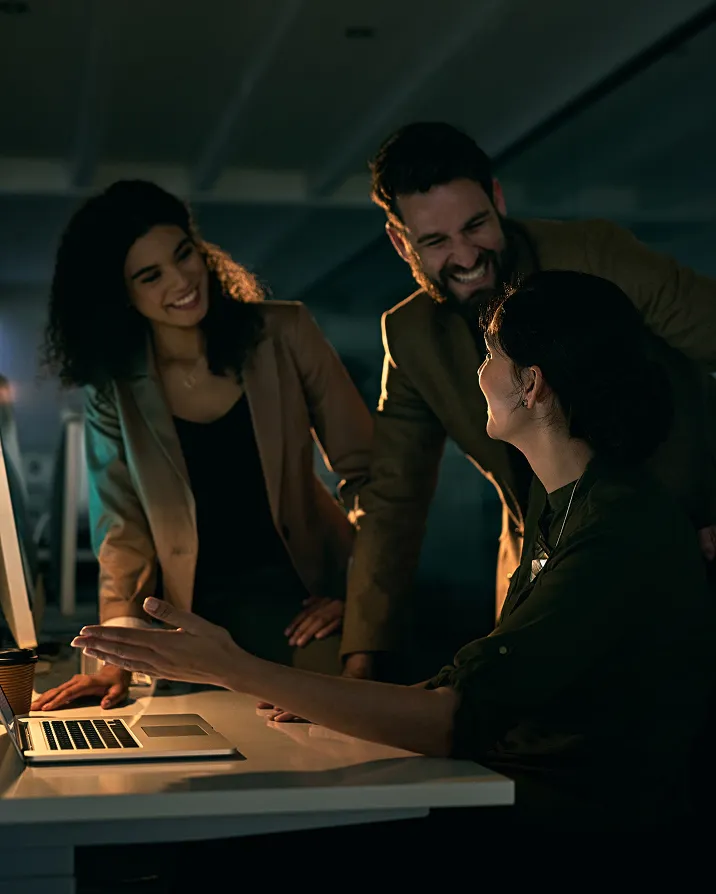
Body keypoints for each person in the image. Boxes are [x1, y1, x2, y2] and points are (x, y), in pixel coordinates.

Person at [71, 271, 716, 827]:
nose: (480, 372)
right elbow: (482, 684)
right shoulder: (569, 502)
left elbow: (455, 718)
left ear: (533, 384)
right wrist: (326, 704)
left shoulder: (616, 528)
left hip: (588, 830)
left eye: (491, 353)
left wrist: (231, 667)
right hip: (538, 798)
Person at [340, 121, 716, 682]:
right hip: (539, 577)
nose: (467, 256)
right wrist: (360, 660)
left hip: (683, 544)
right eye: (436, 242)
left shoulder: (594, 253)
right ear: (401, 242)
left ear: (497, 198)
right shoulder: (411, 333)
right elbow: (393, 500)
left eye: (476, 225)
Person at [32, 180, 372, 712]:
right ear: (122, 293)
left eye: (183, 254)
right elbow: (122, 530)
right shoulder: (114, 390)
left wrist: (360, 597)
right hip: (187, 627)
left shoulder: (285, 332)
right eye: (151, 275)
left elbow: (369, 474)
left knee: (326, 755)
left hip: (305, 606)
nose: (182, 279)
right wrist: (115, 656)